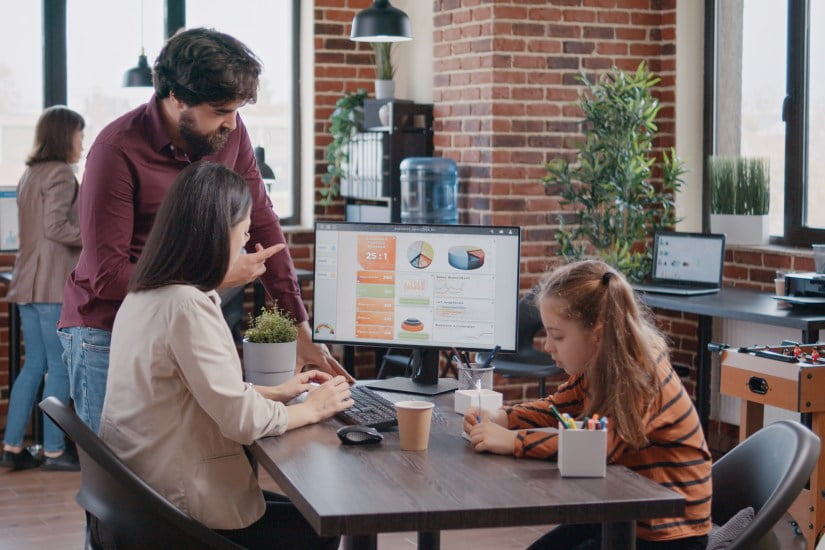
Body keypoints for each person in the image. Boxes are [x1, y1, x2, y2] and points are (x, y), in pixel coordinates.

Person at [58, 27, 351, 434]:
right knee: (124, 478)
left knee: (183, 456)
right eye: (219, 111)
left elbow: (264, 222)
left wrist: (299, 327)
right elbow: (108, 276)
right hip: (108, 330)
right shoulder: (116, 151)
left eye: (237, 110)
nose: (232, 123)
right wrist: (214, 275)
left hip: (182, 322)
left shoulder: (230, 132)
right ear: (177, 98)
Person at [99, 162, 352, 549]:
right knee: (322, 528)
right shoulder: (186, 305)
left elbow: (192, 391)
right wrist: (313, 409)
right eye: (245, 231)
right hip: (182, 510)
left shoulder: (146, 293)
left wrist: (276, 392)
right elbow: (240, 420)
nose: (248, 242)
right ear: (218, 234)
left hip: (143, 498)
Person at [463, 260, 711, 549]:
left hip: (668, 530)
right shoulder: (601, 360)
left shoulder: (640, 373)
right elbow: (559, 405)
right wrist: (505, 417)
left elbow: (599, 448)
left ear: (597, 333)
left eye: (557, 335)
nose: (547, 345)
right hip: (620, 510)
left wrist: (513, 441)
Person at [1, 106, 84, 471]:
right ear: (66, 136)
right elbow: (56, 229)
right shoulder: (62, 174)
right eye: (80, 134)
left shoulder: (30, 173)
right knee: (60, 367)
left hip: (26, 283)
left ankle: (12, 448)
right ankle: (53, 451)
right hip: (51, 285)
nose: (82, 142)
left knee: (33, 366)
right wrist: (96, 237)